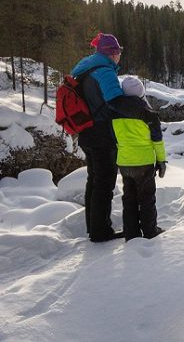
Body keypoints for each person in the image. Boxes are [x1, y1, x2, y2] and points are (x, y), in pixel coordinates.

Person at [71, 33, 125, 242]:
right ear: (111, 53)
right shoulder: (104, 71)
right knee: (104, 183)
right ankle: (101, 232)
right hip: (102, 134)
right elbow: (116, 101)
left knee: (94, 181)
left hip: (86, 132)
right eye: (118, 51)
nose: (119, 55)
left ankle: (93, 228)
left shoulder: (84, 70)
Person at [111, 76, 167, 241]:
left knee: (129, 199)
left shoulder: (113, 112)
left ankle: (131, 233)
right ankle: (150, 231)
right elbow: (157, 141)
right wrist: (161, 161)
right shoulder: (149, 114)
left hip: (125, 161)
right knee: (147, 198)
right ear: (141, 93)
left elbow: (113, 138)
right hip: (144, 162)